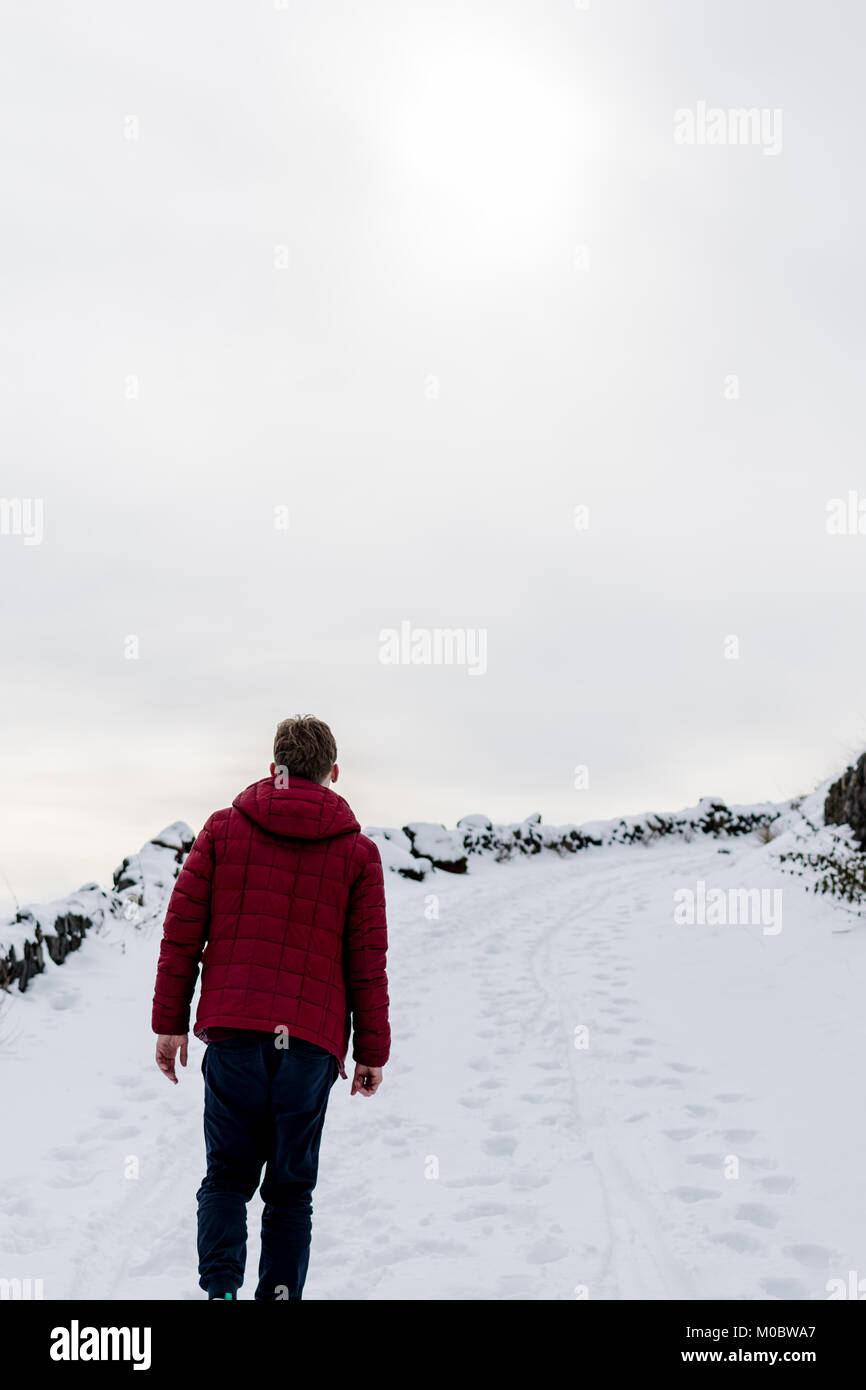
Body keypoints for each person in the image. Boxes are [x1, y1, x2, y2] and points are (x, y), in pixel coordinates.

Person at [150, 714, 390, 1300]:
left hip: (233, 1032)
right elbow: (367, 958)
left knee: (228, 1177)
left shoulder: (223, 830)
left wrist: (170, 1024)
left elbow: (182, 931)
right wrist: (371, 1052)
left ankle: (222, 1293)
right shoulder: (359, 854)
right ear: (333, 773)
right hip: (310, 1044)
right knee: (289, 1190)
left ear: (273, 769)